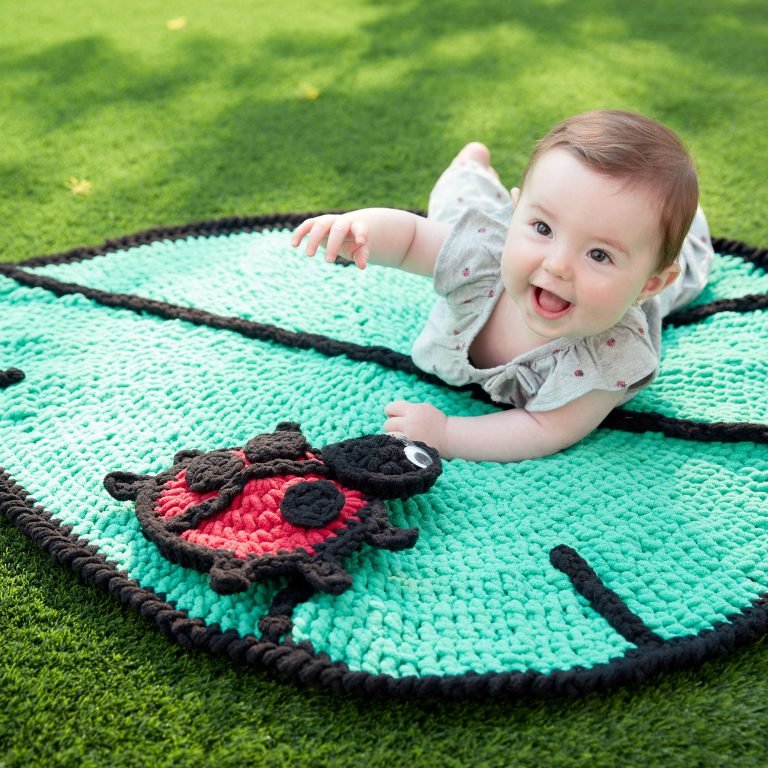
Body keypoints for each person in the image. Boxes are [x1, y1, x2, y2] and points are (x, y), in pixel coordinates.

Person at [290, 110, 714, 462]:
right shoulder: (485, 256)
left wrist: (448, 433)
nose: (558, 265)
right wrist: (361, 229)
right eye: (543, 227)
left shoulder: (607, 359)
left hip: (638, 292)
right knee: (455, 209)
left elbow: (542, 428)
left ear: (647, 282)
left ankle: (688, 233)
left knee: (686, 271)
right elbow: (413, 240)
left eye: (599, 255)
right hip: (494, 223)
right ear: (517, 219)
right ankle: (472, 166)